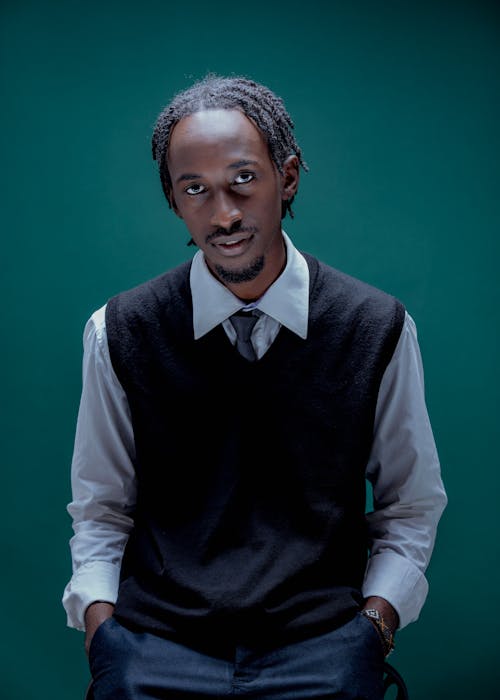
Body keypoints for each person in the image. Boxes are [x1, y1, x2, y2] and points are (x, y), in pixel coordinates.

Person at [62, 74, 447, 700]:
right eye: (196, 189)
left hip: (322, 652)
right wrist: (103, 632)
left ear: (287, 177)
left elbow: (410, 504)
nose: (224, 213)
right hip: (154, 652)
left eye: (244, 179)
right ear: (173, 199)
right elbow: (102, 506)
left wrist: (374, 626)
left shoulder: (376, 326)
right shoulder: (119, 331)